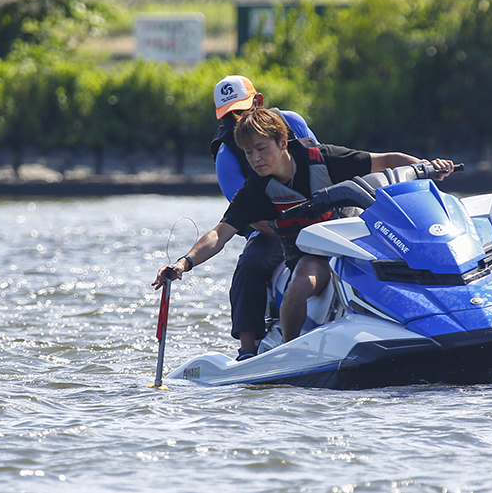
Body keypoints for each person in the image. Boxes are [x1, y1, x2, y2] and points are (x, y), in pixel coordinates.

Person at [153, 108, 455, 349]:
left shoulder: (322, 158)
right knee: (299, 287)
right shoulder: (256, 191)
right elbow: (220, 233)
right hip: (312, 253)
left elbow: (386, 161)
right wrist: (184, 263)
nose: (255, 159)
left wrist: (427, 167)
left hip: (360, 241)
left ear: (283, 143)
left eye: (261, 149)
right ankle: (290, 349)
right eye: (248, 153)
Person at [210, 76, 319, 361]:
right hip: (271, 231)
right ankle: (248, 350)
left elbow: (321, 167)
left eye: (242, 111)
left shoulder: (293, 123)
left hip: (319, 218)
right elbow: (249, 218)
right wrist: (294, 233)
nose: (237, 121)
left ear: (258, 102)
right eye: (229, 116)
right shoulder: (226, 156)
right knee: (251, 265)